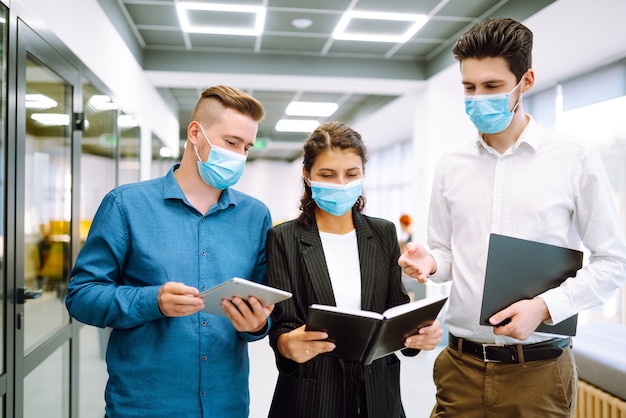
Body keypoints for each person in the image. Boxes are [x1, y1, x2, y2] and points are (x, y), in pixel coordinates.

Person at [398, 17, 626, 417]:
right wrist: (431, 262)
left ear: (527, 81)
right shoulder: (451, 165)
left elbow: (613, 263)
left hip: (538, 372)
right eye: (469, 87)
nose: (477, 97)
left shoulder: (573, 157)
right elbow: (446, 255)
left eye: (492, 86)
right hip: (460, 367)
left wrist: (544, 307)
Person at [65, 85, 274, 418]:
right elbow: (81, 296)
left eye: (247, 147)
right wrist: (153, 301)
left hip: (227, 405)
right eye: (231, 143)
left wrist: (256, 324)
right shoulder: (126, 205)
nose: (239, 156)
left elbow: (264, 308)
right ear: (196, 133)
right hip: (144, 405)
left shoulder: (256, 216)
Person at [266, 121, 443, 418]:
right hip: (311, 398)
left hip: (378, 397)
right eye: (327, 174)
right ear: (307, 175)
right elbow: (282, 325)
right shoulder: (284, 238)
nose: (341, 183)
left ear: (363, 174)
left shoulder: (383, 233)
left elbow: (395, 312)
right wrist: (286, 344)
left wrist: (420, 334)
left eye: (351, 174)